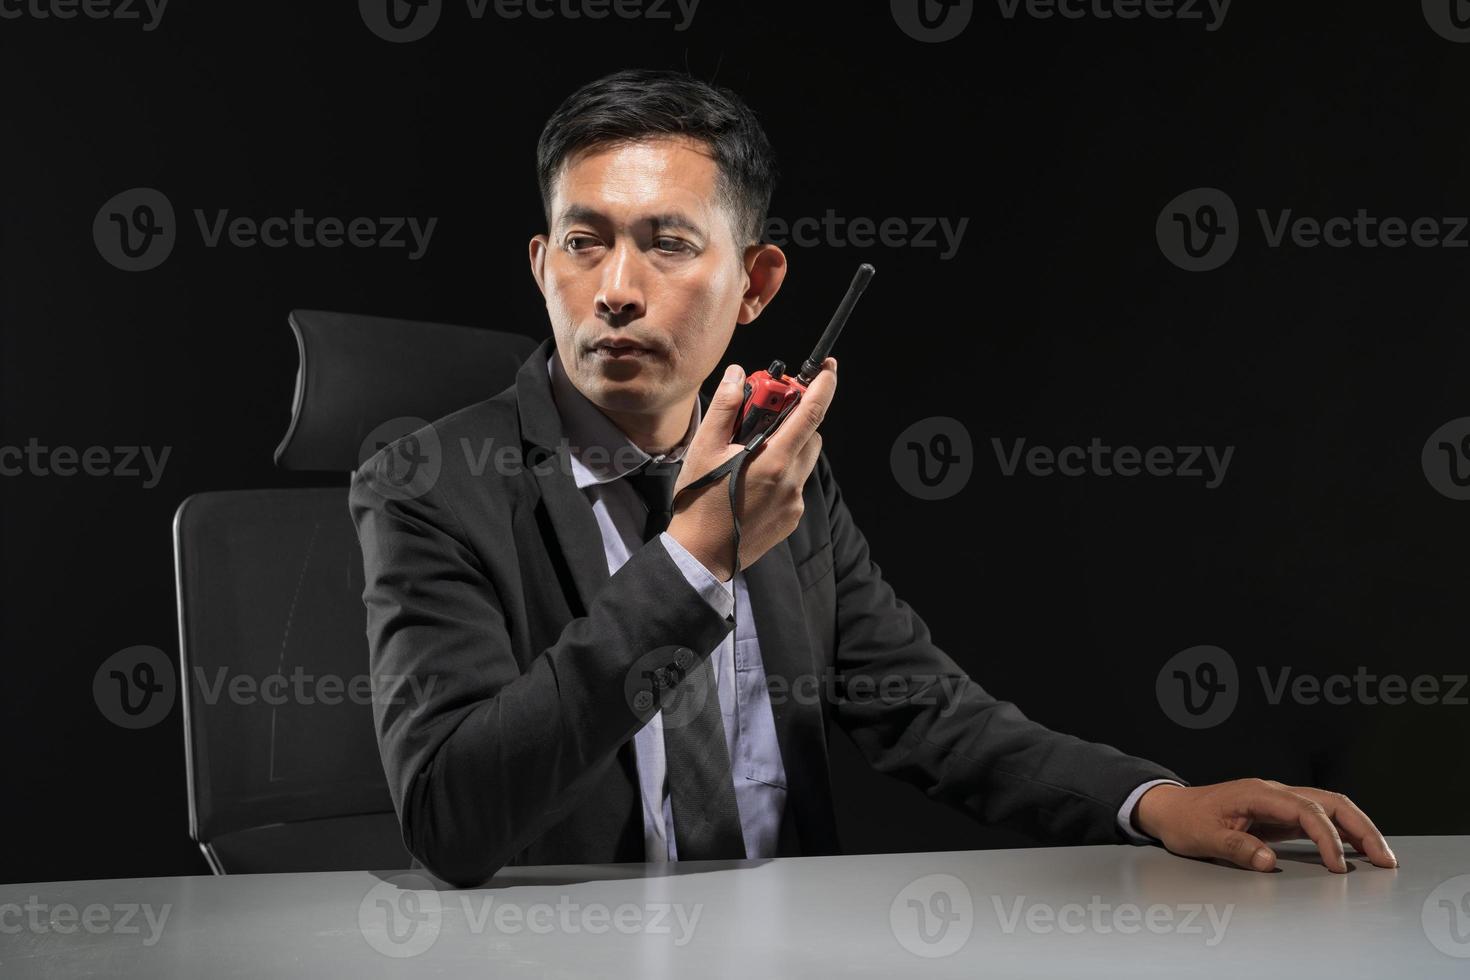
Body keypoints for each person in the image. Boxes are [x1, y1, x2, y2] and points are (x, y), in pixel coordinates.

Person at [349, 68, 1396, 889]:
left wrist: (1154, 800)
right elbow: (452, 818)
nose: (615, 290)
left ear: (756, 285)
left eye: (667, 245)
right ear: (541, 265)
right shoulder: (430, 484)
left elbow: (926, 711)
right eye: (584, 244)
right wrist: (692, 559)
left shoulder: (781, 466)